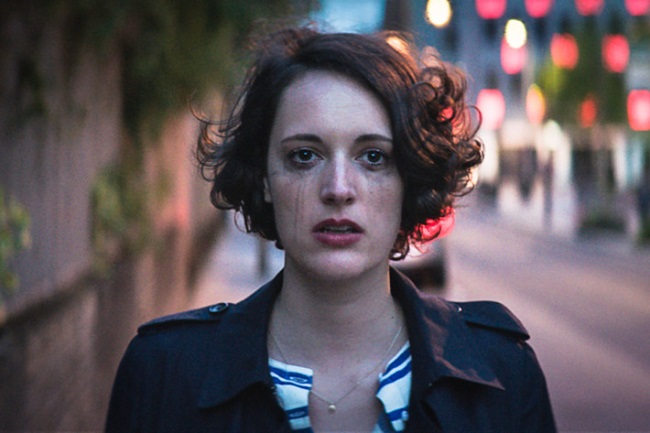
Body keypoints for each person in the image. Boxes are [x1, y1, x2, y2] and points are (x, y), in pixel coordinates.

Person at [105, 26, 556, 433]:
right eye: (304, 156)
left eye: (373, 157)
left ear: (409, 178)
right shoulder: (161, 375)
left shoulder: (505, 373)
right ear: (264, 178)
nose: (339, 189)